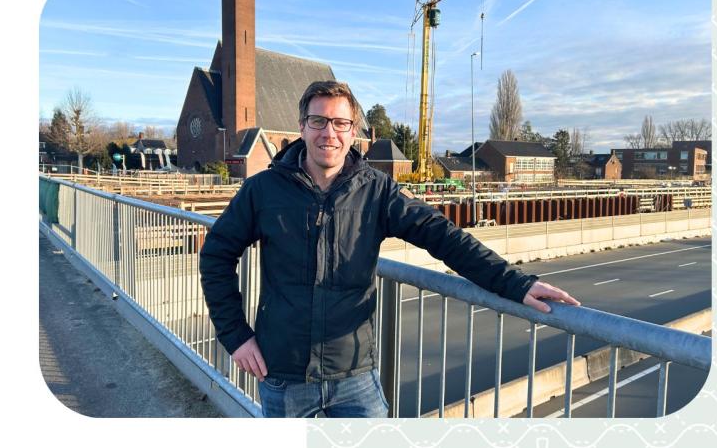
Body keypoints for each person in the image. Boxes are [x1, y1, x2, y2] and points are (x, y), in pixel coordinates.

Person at [199, 80, 580, 418]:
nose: (328, 133)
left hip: (354, 373)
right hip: (283, 373)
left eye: (340, 123)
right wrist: (235, 336)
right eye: (318, 121)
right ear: (302, 127)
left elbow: (442, 235)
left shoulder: (376, 191)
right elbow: (216, 254)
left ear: (353, 133)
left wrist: (516, 284)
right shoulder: (263, 190)